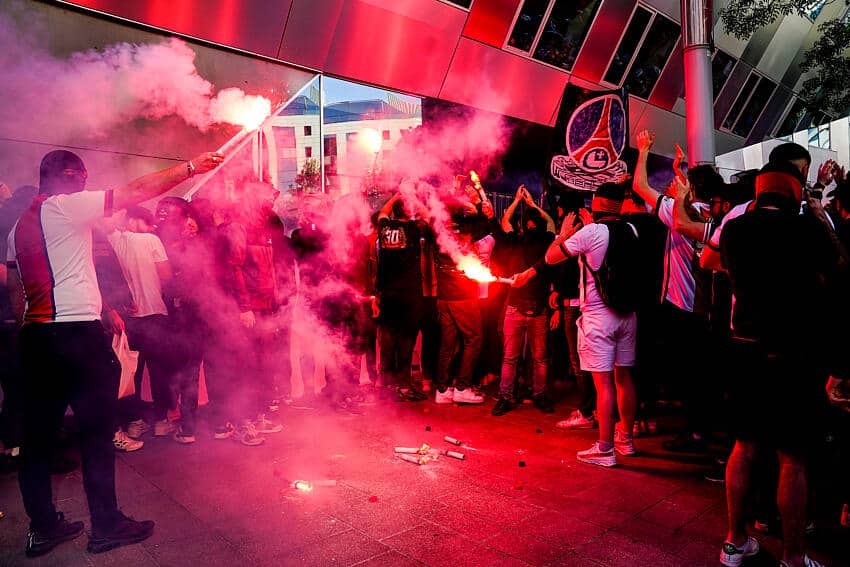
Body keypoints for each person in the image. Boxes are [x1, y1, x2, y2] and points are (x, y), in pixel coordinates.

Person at [4, 149, 221, 557]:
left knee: (37, 440)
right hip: (76, 338)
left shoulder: (17, 228)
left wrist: (32, 330)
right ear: (70, 176)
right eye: (83, 177)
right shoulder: (66, 206)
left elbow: (18, 291)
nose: (87, 184)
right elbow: (134, 191)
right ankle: (106, 525)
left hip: (36, 337)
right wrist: (192, 166)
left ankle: (44, 527)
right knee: (96, 434)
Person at [718, 143, 836, 567]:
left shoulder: (735, 230)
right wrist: (820, 218)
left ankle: (735, 542)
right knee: (793, 459)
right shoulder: (805, 230)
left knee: (744, 447)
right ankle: (793, 556)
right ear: (793, 191)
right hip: (793, 355)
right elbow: (838, 271)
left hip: (745, 349)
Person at [632, 130, 716, 452]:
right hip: (708, 308)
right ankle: (701, 430)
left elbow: (641, 186)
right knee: (702, 376)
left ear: (691, 190)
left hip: (683, 308)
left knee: (688, 377)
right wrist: (679, 172)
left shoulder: (677, 213)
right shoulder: (714, 217)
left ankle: (695, 434)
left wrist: (644, 150)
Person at [544, 182, 638, 467]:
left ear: (596, 202)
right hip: (627, 314)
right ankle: (626, 440)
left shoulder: (592, 232)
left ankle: (605, 448)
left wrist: (564, 233)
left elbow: (551, 257)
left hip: (599, 316)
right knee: (624, 380)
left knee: (604, 384)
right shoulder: (632, 230)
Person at [106, 206, 174, 445]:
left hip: (129, 318)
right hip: (155, 313)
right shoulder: (151, 240)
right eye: (148, 223)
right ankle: (161, 422)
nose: (152, 227)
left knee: (131, 372)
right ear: (135, 221)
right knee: (159, 371)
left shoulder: (113, 240)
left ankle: (134, 423)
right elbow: (165, 275)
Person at [492, 184, 556, 416]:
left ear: (524, 225)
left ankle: (514, 397)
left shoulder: (516, 240)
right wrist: (531, 204)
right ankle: (521, 396)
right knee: (536, 358)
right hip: (525, 308)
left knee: (517, 358)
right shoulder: (545, 239)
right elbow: (551, 223)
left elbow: (505, 222)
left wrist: (518, 202)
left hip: (529, 308)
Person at [375, 192, 429, 401]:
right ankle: (404, 387)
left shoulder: (384, 229)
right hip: (409, 295)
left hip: (388, 294)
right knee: (406, 341)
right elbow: (427, 216)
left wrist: (397, 196)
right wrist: (412, 197)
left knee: (388, 340)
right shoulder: (413, 229)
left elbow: (383, 212)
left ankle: (386, 388)